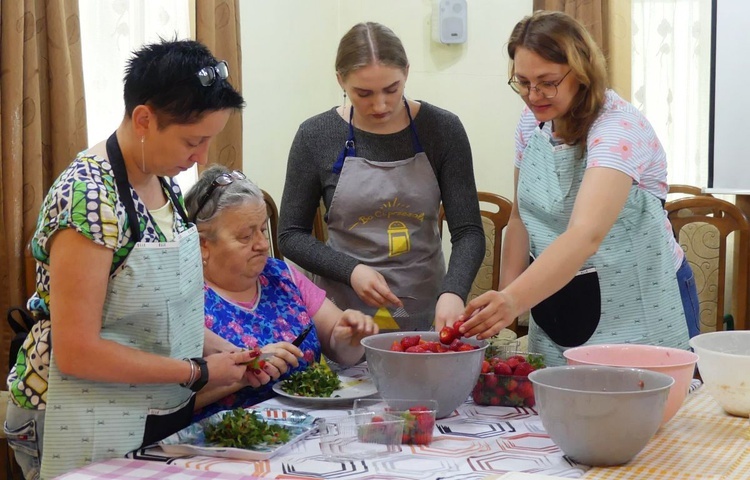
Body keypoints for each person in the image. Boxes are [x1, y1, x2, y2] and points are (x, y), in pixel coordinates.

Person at [3, 40, 258, 479]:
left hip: (146, 406)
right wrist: (196, 371)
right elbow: (77, 351)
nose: (201, 157)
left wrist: (227, 353)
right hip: (77, 411)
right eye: (193, 141)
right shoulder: (88, 197)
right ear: (144, 119)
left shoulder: (163, 184)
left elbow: (144, 316)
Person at [460, 11, 697, 366]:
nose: (533, 95)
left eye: (547, 82)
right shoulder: (532, 122)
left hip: (639, 300)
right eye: (522, 82)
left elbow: (585, 234)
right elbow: (522, 216)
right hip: (558, 298)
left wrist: (513, 300)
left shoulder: (617, 128)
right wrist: (505, 300)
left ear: (582, 73)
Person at [278, 22, 485, 333]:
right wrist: (351, 271)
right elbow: (290, 235)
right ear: (340, 80)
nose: (380, 105)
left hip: (426, 308)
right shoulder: (316, 135)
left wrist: (454, 291)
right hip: (344, 318)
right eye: (363, 93)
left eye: (392, 89)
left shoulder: (442, 130)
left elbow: (468, 231)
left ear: (407, 73)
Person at [185, 165, 379, 420]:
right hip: (227, 440)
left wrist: (349, 336)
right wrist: (249, 371)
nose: (263, 244)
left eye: (263, 230)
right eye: (245, 236)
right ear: (203, 244)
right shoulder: (183, 297)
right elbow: (173, 400)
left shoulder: (282, 276)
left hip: (307, 428)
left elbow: (342, 350)